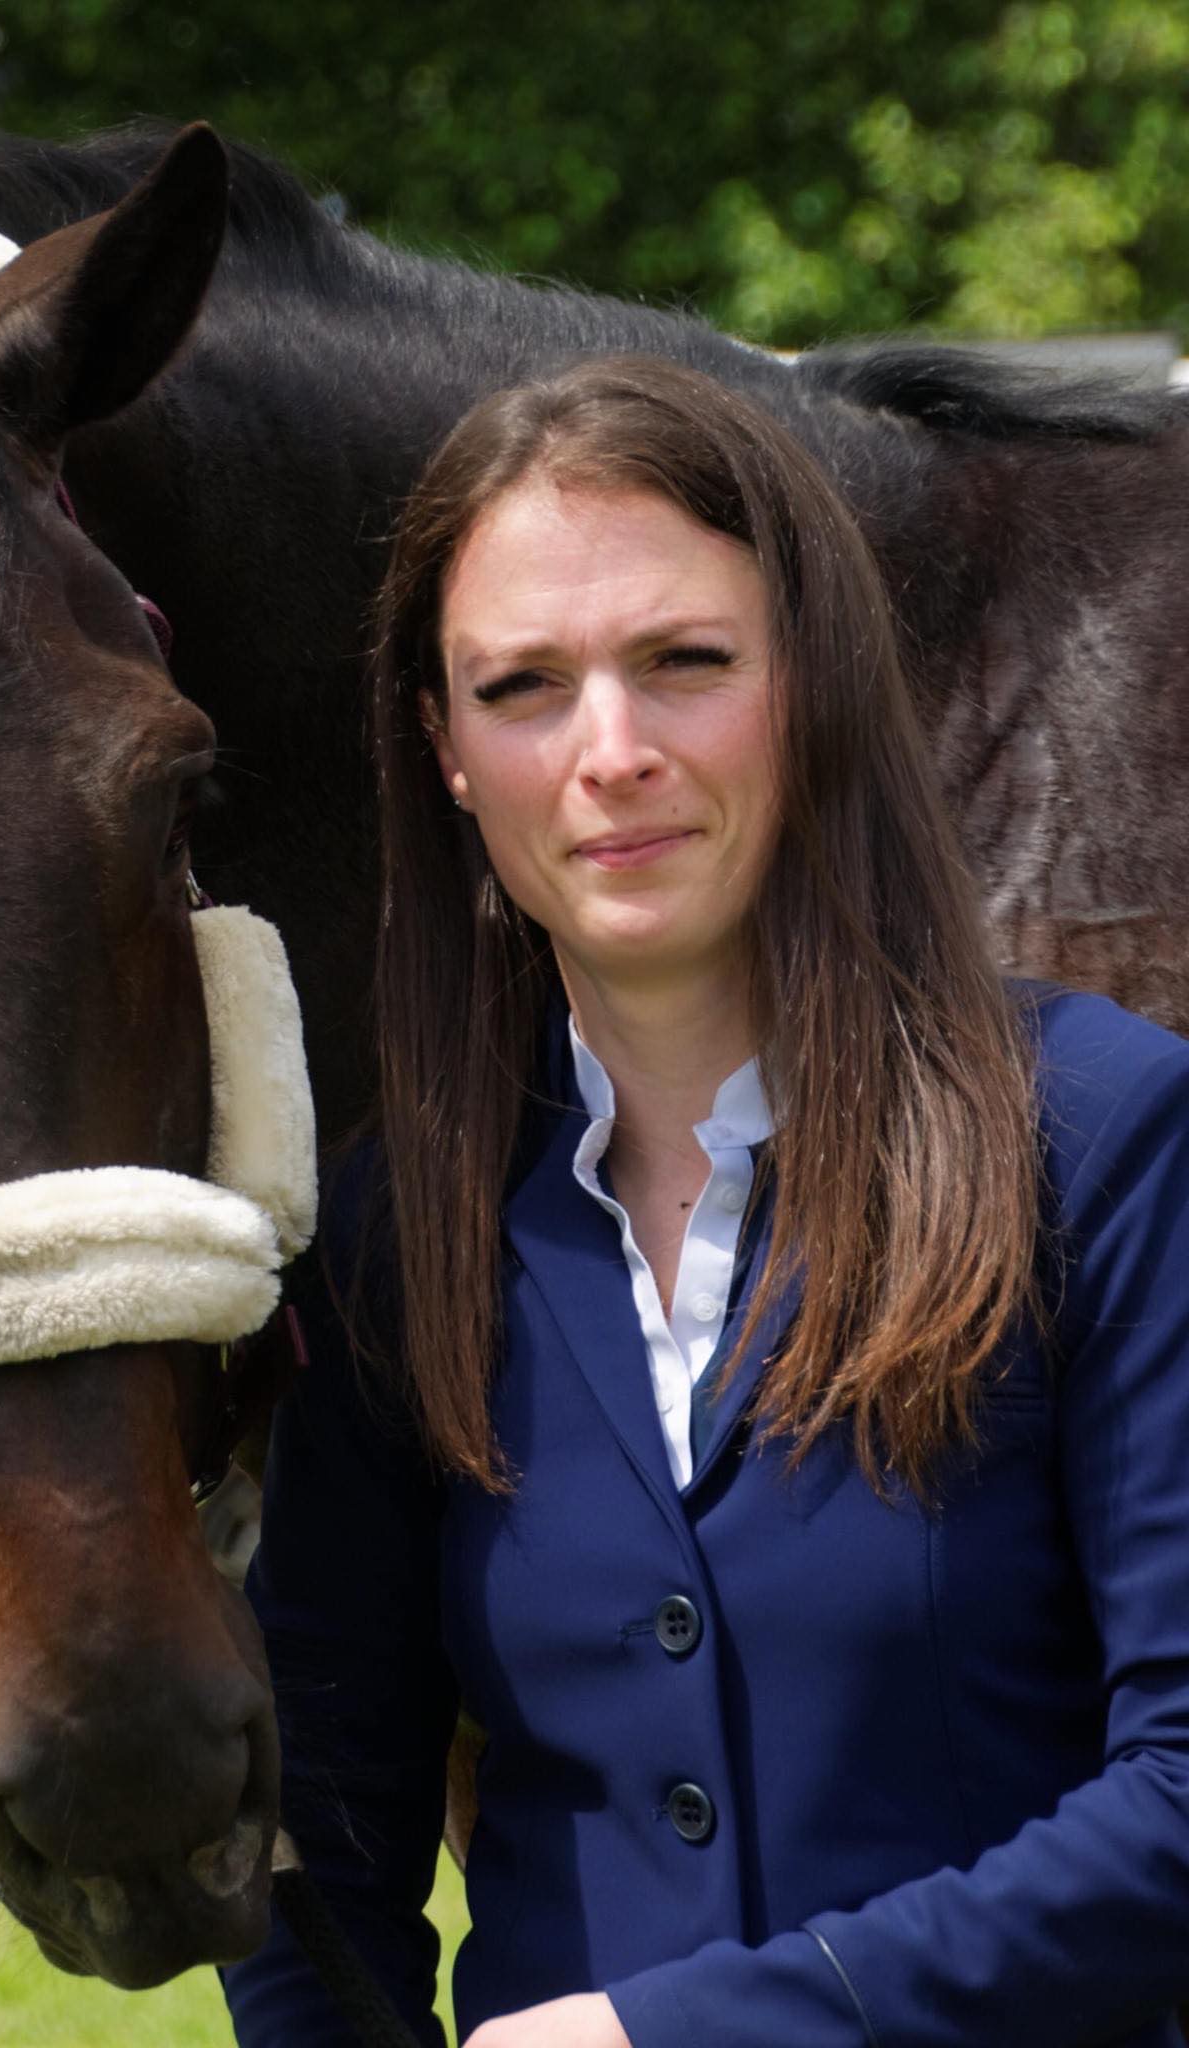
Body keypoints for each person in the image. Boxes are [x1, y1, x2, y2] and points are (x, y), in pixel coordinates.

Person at [221, 356, 1189, 2048]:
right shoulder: (392, 1240)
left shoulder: (1102, 1139)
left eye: (684, 664)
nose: (613, 753)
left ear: (805, 682)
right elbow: (327, 1838)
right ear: (444, 750)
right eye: (522, 687)